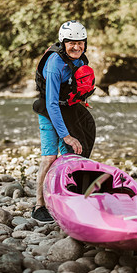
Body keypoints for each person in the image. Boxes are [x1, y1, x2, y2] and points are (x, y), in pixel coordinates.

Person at [32, 20, 96, 223]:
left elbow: (72, 85)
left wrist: (80, 101)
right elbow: (51, 104)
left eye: (81, 42)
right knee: (50, 157)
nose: (77, 47)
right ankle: (39, 206)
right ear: (63, 42)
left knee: (73, 152)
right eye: (71, 43)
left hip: (67, 107)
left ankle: (68, 197)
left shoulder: (79, 59)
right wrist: (66, 135)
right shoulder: (54, 64)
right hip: (49, 109)